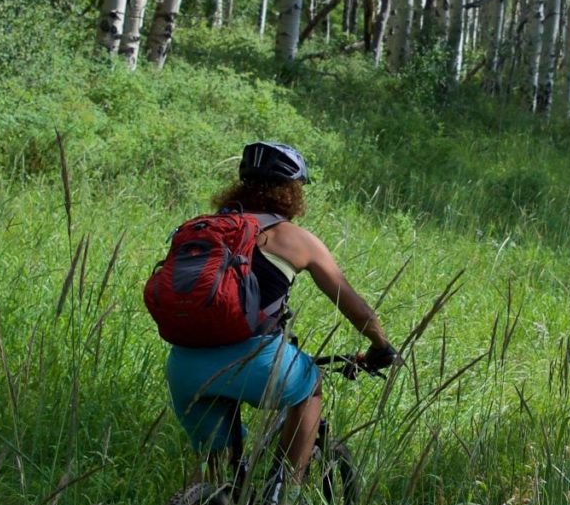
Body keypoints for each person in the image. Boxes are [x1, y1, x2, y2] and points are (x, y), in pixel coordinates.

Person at [162, 141, 397, 484]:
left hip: (184, 367)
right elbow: (354, 307)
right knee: (311, 386)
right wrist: (380, 345)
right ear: (291, 191)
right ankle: (288, 494)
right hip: (255, 362)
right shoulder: (293, 238)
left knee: (212, 479)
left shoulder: (197, 230)